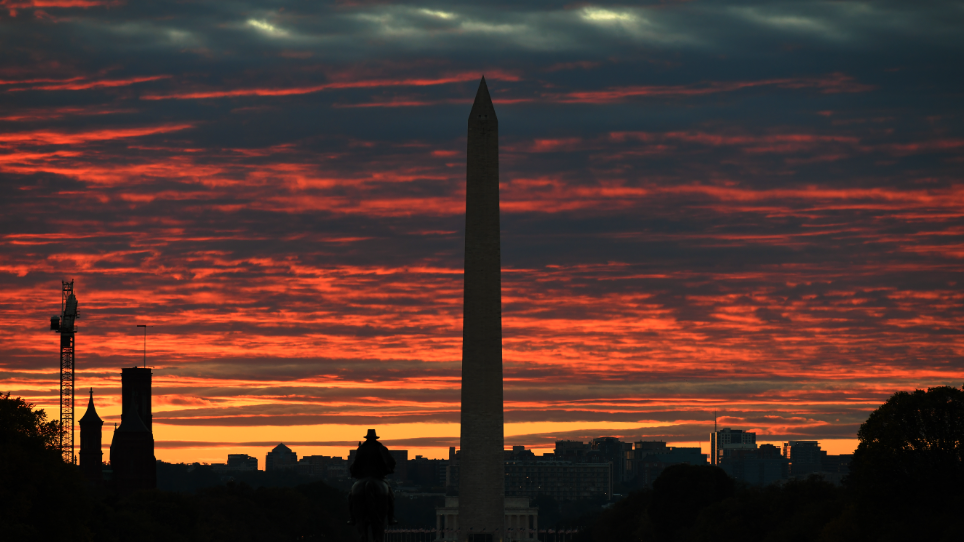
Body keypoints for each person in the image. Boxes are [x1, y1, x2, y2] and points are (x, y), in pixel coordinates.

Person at [349, 429, 397, 525]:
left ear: (367, 438)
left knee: (351, 496)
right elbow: (392, 462)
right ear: (375, 438)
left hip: (363, 477)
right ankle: (391, 518)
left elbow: (355, 464)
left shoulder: (361, 448)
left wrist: (354, 472)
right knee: (390, 496)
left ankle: (352, 518)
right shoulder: (381, 448)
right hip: (378, 477)